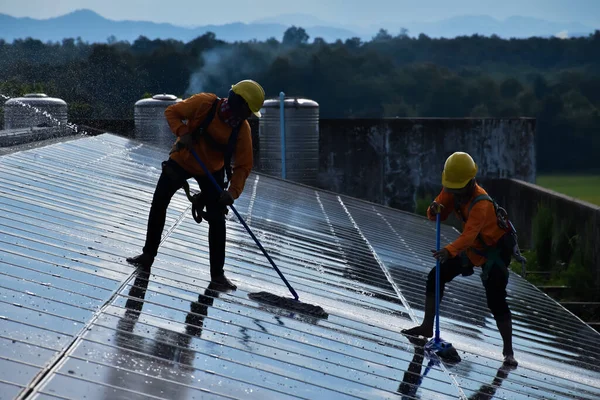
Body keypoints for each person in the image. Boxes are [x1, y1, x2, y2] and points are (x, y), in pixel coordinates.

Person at [126, 79, 265, 290]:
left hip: (212, 171)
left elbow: (244, 166)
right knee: (159, 203)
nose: (248, 116)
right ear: (239, 103)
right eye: (248, 110)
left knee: (218, 219)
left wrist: (232, 192)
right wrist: (183, 132)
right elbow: (172, 112)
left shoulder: (241, 129)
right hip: (183, 160)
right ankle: (147, 255)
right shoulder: (204, 103)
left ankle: (217, 275)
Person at [402, 151, 518, 367]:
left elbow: (468, 236)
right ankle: (427, 326)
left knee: (495, 299)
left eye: (459, 189)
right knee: (437, 275)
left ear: (471, 181)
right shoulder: (452, 190)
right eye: (451, 188)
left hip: (494, 253)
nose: (455, 193)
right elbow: (435, 213)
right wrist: (434, 209)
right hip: (473, 248)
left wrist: (449, 250)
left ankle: (508, 352)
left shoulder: (481, 204)